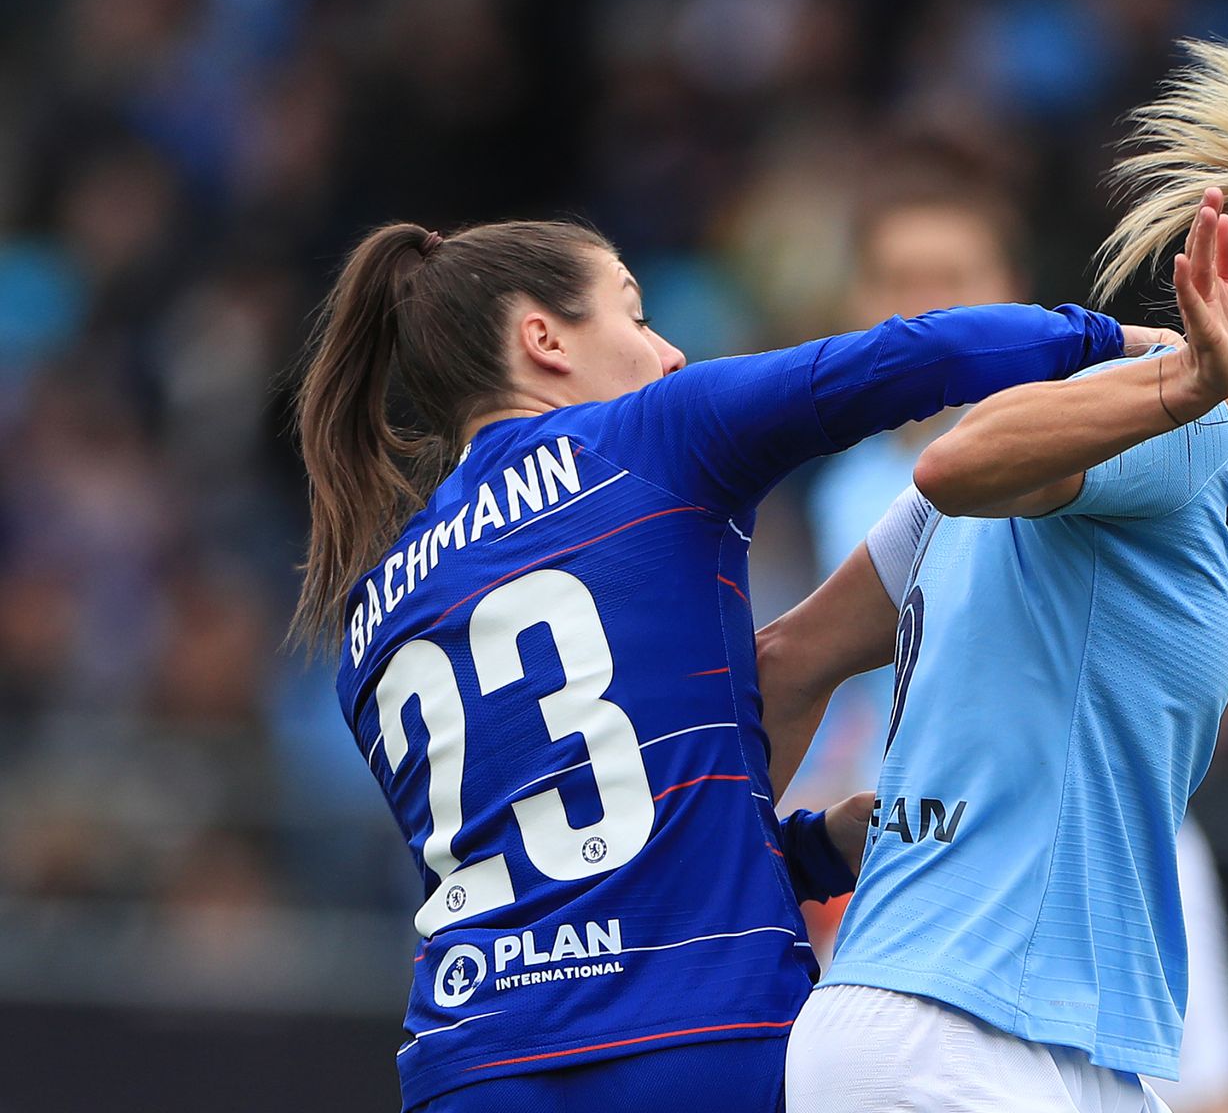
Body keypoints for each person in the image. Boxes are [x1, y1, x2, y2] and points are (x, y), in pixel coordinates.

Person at [289, 218, 1172, 1112]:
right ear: (543, 339)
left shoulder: (372, 618)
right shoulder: (640, 442)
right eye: (634, 318)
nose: (669, 354)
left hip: (468, 1066)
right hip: (692, 1036)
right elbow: (900, 358)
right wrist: (1123, 344)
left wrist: (819, 851)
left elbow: (556, 879)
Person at [769, 42, 1228, 1111]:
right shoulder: (1182, 431)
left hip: (1037, 1045)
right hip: (954, 1038)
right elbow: (957, 461)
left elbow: (785, 662)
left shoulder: (1156, 467)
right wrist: (1183, 384)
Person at [785, 137, 1228, 1112]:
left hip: (1094, 849)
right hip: (904, 859)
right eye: (891, 280)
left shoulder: (1104, 443)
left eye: (949, 280)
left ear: (1009, 291)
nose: (918, 308)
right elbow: (811, 668)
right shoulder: (845, 489)